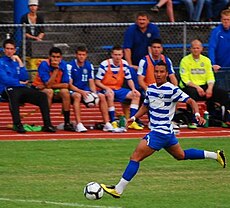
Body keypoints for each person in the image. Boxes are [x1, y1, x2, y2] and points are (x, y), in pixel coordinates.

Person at [100, 61, 226, 199]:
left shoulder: (172, 89)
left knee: (135, 157)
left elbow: (191, 101)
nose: (158, 74)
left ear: (166, 73)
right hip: (167, 133)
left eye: (161, 72)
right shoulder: (151, 88)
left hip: (160, 132)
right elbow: (146, 106)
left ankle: (118, 189)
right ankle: (216, 155)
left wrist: (197, 114)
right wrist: (134, 118)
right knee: (181, 155)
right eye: (156, 71)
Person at [0, 39, 55, 133]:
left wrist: (20, 62)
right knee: (14, 93)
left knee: (42, 96)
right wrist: (19, 82)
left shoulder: (16, 62)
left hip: (20, 88)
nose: (9, 51)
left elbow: (25, 77)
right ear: (3, 50)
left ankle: (47, 125)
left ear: (15, 50)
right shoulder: (1, 62)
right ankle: (17, 124)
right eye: (7, 48)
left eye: (11, 49)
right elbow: (5, 79)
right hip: (6, 90)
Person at [179, 39, 230, 127]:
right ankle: (193, 120)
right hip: (191, 87)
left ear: (201, 49)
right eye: (194, 48)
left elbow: (210, 77)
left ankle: (226, 119)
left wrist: (209, 88)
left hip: (204, 86)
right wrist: (197, 88)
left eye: (197, 48)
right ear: (190, 49)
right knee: (192, 94)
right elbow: (185, 80)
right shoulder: (185, 61)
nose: (196, 50)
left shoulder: (206, 60)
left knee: (223, 94)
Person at [95, 45, 143, 130]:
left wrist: (133, 89)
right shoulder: (105, 64)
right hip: (105, 89)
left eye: (119, 55)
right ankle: (113, 121)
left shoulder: (124, 64)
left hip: (118, 89)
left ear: (122, 55)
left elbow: (129, 79)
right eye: (116, 55)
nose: (117, 57)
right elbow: (97, 81)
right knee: (110, 94)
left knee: (137, 94)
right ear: (112, 55)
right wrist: (106, 88)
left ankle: (132, 121)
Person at [68, 46, 114, 132]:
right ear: (76, 55)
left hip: (86, 90)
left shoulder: (89, 65)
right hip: (74, 90)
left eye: (83, 55)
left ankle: (107, 123)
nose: (81, 56)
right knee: (77, 96)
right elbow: (69, 85)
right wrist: (81, 92)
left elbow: (91, 81)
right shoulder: (70, 66)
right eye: (79, 54)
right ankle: (79, 124)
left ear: (86, 55)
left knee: (102, 96)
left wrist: (94, 93)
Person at [32, 47, 75, 131]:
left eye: (57, 57)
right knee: (49, 92)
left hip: (49, 87)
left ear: (61, 58)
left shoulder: (63, 64)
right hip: (38, 89)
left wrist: (47, 85)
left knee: (65, 92)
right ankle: (47, 124)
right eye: (53, 57)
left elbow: (66, 85)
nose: (55, 59)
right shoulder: (44, 65)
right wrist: (55, 71)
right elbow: (48, 85)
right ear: (49, 57)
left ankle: (67, 122)